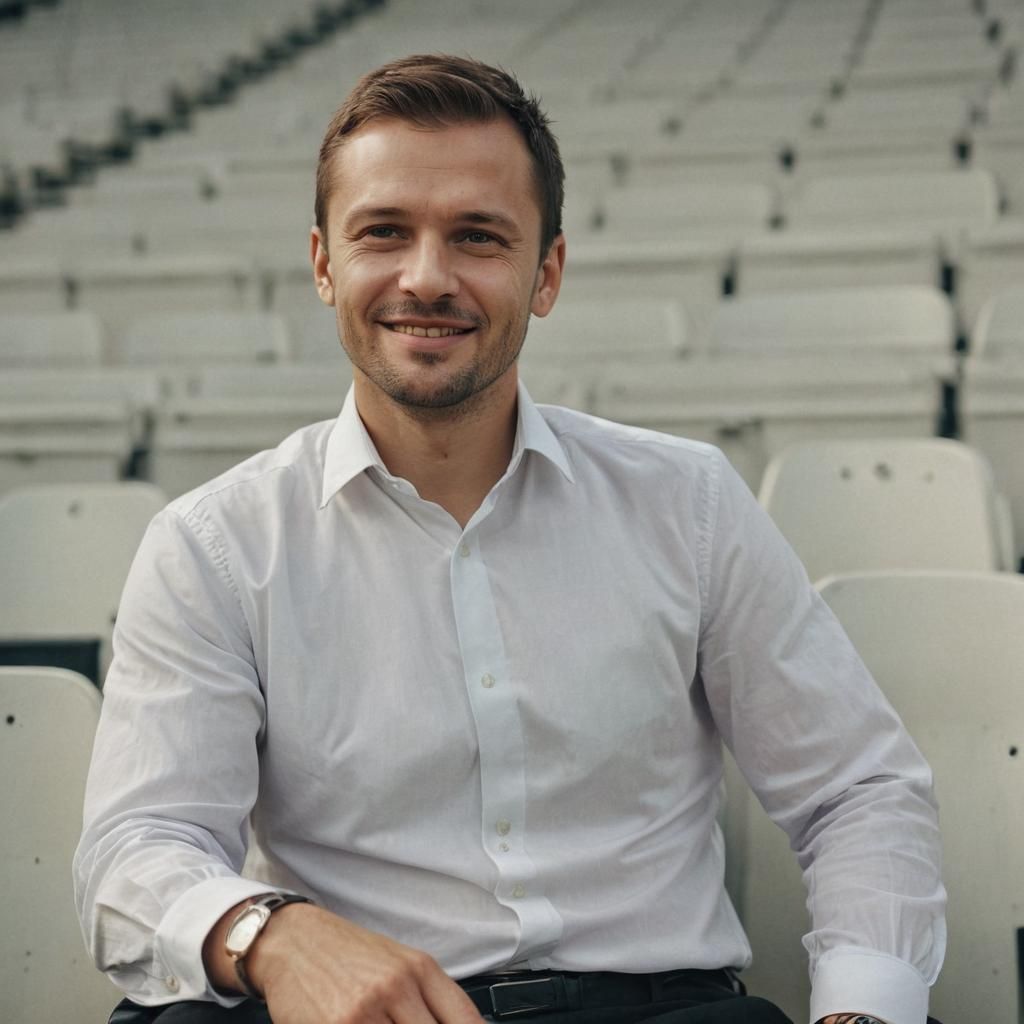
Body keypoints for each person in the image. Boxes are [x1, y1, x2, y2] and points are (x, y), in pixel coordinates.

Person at [75, 54, 945, 1024]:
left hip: (653, 1009)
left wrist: (865, 1010)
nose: (427, 276)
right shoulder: (213, 545)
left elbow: (856, 787)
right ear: (324, 264)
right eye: (383, 233)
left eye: (478, 237)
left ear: (548, 273)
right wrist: (274, 935)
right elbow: (136, 848)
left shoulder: (687, 501)